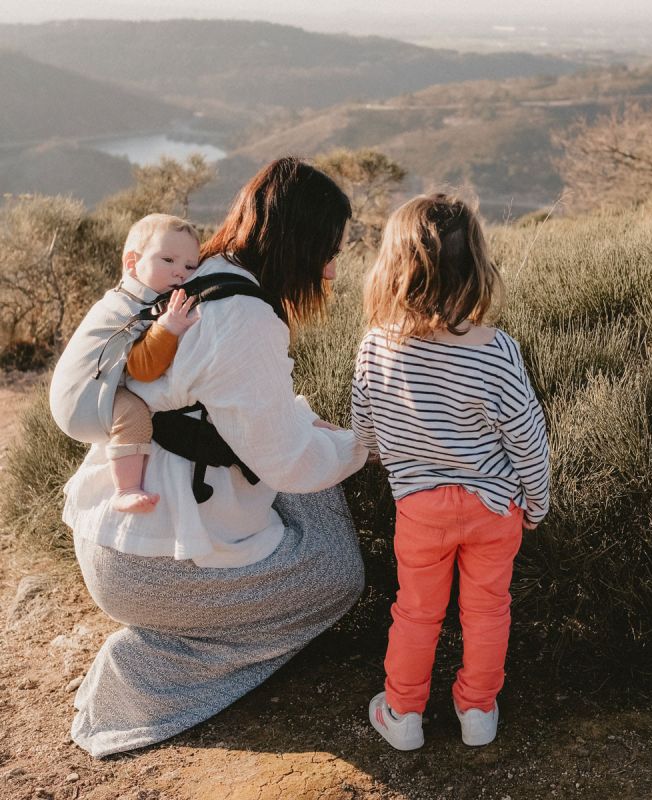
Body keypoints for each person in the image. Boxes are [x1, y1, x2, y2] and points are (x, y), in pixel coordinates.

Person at [62, 157, 368, 758]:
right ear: (298, 244)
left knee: (315, 464)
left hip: (112, 533)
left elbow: (234, 404)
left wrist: (306, 424)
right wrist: (364, 444)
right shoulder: (247, 318)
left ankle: (179, 632)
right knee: (339, 577)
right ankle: (151, 669)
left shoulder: (208, 272)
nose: (331, 271)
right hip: (151, 570)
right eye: (326, 252)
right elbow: (289, 462)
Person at [351, 194, 550, 750]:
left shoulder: (375, 348)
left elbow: (364, 428)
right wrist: (537, 502)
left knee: (416, 611)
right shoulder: (497, 349)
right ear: (474, 267)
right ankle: (478, 711)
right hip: (494, 507)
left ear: (395, 266)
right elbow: (527, 438)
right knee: (487, 611)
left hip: (420, 508)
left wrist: (375, 454)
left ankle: (404, 713)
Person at [50, 214, 200, 514]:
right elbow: (143, 368)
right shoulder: (133, 308)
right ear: (132, 264)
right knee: (134, 415)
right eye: (168, 260)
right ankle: (126, 489)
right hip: (82, 402)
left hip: (78, 394)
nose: (179, 273)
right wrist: (168, 329)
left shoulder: (129, 297)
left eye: (189, 266)